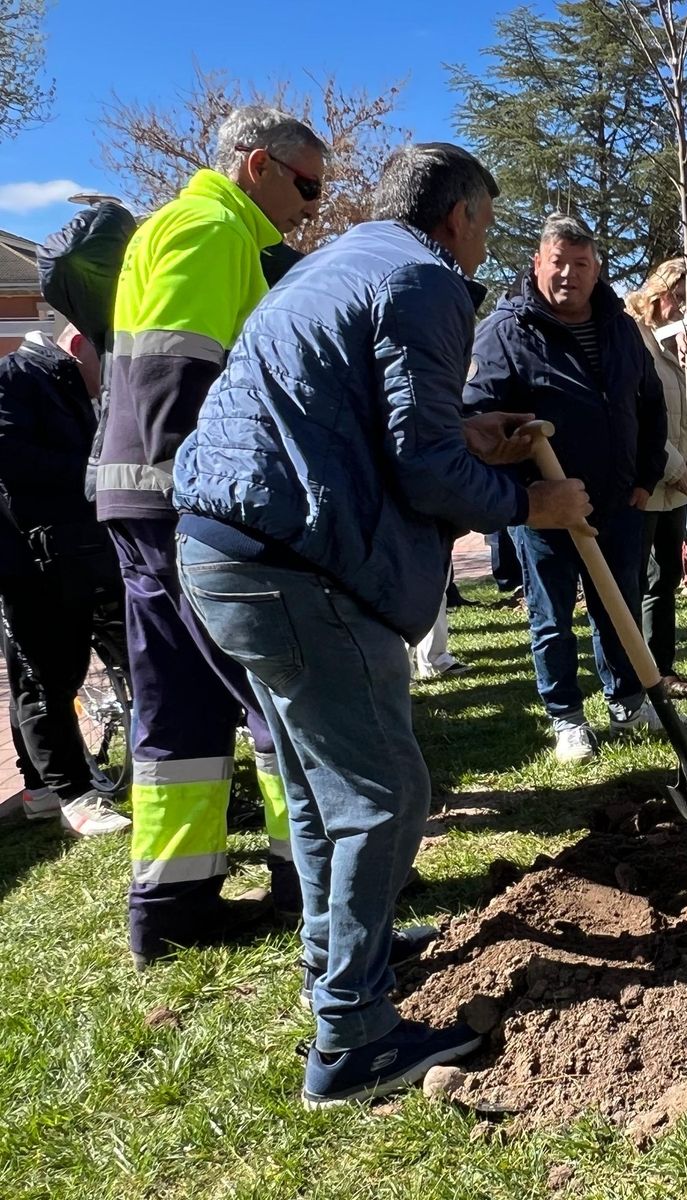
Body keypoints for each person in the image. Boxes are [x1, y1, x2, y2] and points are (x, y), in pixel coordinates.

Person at [172, 142, 595, 1106]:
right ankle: (354, 1039)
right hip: (291, 564)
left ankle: (341, 963)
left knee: (325, 793)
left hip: (223, 548)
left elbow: (370, 425)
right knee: (386, 792)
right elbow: (423, 467)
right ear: (458, 219)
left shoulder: (334, 267)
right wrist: (535, 507)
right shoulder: (428, 283)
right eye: (487, 223)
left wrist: (475, 439)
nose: (487, 244)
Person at [97, 105, 326, 964]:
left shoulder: (175, 226)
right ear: (258, 165)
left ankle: (171, 907)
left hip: (144, 505)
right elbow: (180, 378)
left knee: (178, 713)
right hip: (184, 505)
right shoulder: (211, 226)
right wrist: (227, 500)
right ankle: (311, 884)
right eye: (305, 186)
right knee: (274, 689)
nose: (310, 206)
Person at [463, 214, 668, 763]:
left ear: (596, 269)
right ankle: (567, 718)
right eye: (558, 263)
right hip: (545, 506)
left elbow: (650, 403)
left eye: (581, 265)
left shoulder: (621, 328)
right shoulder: (507, 332)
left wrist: (645, 478)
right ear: (537, 264)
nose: (569, 276)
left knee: (617, 604)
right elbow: (478, 421)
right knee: (551, 614)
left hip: (617, 500)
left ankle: (624, 698)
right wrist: (526, 495)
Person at [0, 323, 128, 834]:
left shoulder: (61, 384)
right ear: (78, 346)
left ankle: (39, 788)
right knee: (45, 676)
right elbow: (9, 456)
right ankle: (74, 797)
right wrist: (99, 466)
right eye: (108, 364)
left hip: (77, 554)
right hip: (33, 563)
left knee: (47, 673)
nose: (110, 380)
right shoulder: (14, 377)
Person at [627, 259, 687, 699]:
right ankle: (631, 674)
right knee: (635, 577)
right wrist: (676, 467)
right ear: (658, 293)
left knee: (664, 577)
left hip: (681, 488)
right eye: (682, 296)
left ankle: (662, 669)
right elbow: (637, 416)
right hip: (644, 480)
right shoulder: (635, 341)